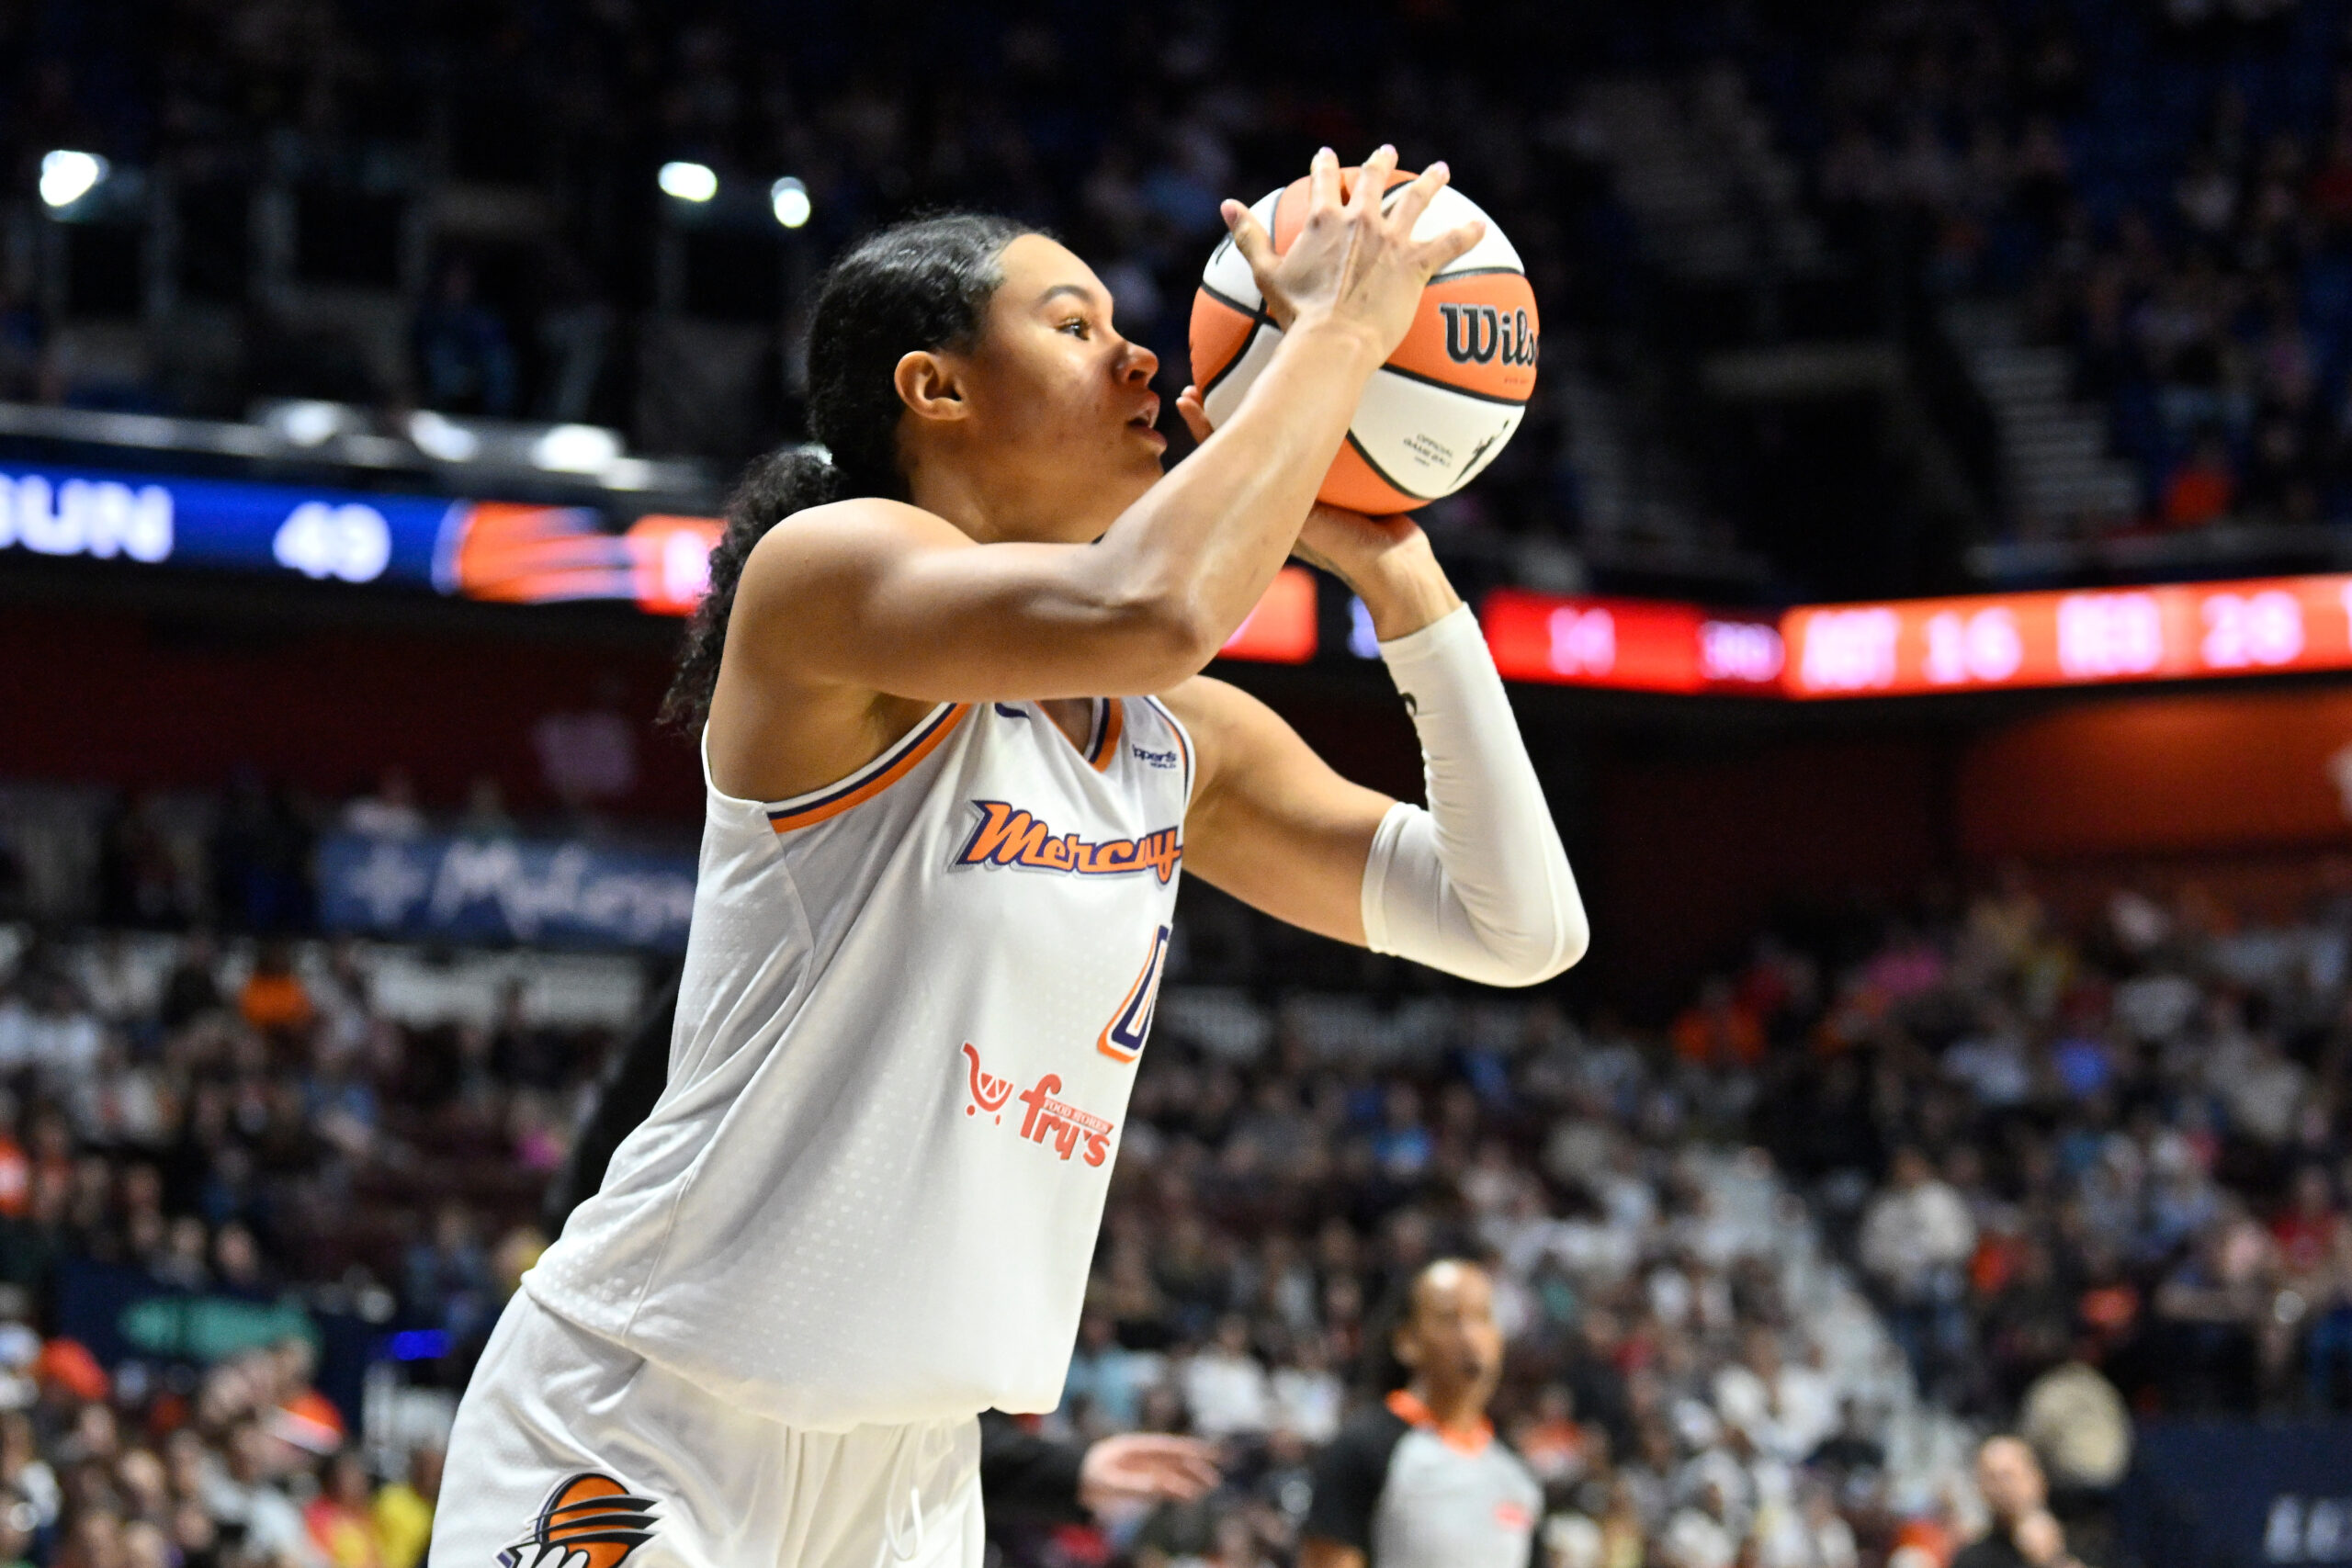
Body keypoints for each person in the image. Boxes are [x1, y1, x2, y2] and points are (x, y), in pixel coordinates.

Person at [434, 144, 1586, 1568]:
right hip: (649, 1419)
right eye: (1076, 324)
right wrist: (1340, 332)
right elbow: (1153, 599)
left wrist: (1408, 585)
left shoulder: (1178, 745)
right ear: (937, 388)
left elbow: (1516, 923)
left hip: (914, 1479)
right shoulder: (826, 580)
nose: (1141, 357)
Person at [1298, 1259, 1542, 1568]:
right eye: (1450, 1318)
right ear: (1407, 1341)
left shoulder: (1517, 1474)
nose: (1470, 1337)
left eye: (1482, 1318)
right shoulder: (1364, 1448)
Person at [1951, 1437, 2087, 1568]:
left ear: (2037, 1478)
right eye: (1991, 1478)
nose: (2001, 1487)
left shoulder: (2083, 1535)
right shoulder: (1972, 1559)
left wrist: (2053, 1558)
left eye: (2008, 1476)